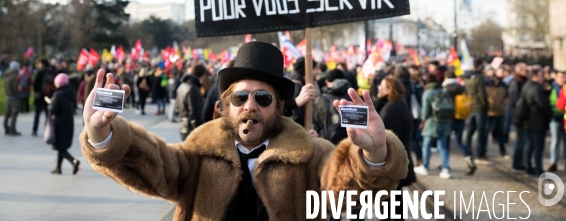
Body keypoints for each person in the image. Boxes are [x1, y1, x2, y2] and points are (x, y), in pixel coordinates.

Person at [80, 41, 408, 220]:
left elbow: (345, 188)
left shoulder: (311, 154)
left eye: (262, 97)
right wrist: (101, 135)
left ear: (279, 106)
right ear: (227, 104)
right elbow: (153, 164)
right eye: (240, 96)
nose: (250, 105)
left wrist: (374, 152)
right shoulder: (199, 151)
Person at [375, 76, 415, 219]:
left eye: (381, 85)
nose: (378, 87)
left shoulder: (391, 108)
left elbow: (385, 137)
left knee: (390, 206)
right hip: (397, 163)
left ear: (388, 90)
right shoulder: (397, 103)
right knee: (395, 202)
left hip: (392, 166)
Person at [414, 73, 452, 179]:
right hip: (445, 122)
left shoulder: (427, 93)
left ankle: (425, 166)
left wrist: (422, 122)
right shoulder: (444, 92)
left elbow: (425, 112)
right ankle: (446, 169)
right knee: (443, 146)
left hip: (431, 123)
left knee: (426, 146)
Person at [442, 70, 476, 175]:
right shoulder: (463, 88)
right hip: (461, 118)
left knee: (445, 142)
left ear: (446, 78)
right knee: (459, 141)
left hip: (449, 119)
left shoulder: (447, 89)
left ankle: (445, 164)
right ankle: (469, 159)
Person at [521, 65, 551, 176]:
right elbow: (543, 105)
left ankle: (528, 166)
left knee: (529, 145)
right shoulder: (536, 88)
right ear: (534, 76)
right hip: (537, 121)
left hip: (528, 120)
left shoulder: (526, 85)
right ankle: (539, 169)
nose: (543, 77)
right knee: (538, 147)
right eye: (541, 75)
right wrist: (549, 115)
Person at [49, 73, 80, 175]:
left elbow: (53, 110)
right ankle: (58, 167)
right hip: (69, 122)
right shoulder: (71, 92)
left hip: (59, 123)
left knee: (60, 146)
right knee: (61, 146)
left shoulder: (58, 94)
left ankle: (73, 161)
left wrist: (50, 104)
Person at [313, 68, 351, 144]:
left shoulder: (320, 99)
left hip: (327, 144)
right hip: (350, 144)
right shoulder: (353, 97)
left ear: (327, 82)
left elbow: (317, 123)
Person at [464, 59, 491, 165]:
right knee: (481, 131)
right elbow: (482, 94)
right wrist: (486, 105)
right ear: (479, 66)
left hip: (469, 106)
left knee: (470, 130)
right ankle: (480, 153)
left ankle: (467, 152)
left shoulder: (466, 76)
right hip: (479, 107)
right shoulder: (479, 77)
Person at [175, 63, 205, 140]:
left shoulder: (181, 86)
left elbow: (177, 108)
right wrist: (199, 131)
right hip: (191, 130)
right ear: (201, 75)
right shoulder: (193, 88)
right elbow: (194, 113)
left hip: (183, 128)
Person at [484, 65, 509, 159]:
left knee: (501, 133)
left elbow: (507, 96)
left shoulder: (502, 83)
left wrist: (504, 104)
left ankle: (503, 151)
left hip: (500, 111)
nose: (492, 72)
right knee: (485, 132)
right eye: (489, 70)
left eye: (492, 70)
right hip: (488, 111)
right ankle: (483, 151)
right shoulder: (484, 83)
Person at [509, 62, 529, 172]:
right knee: (520, 140)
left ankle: (520, 162)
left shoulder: (522, 81)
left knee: (522, 140)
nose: (528, 72)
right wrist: (521, 113)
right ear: (519, 70)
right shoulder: (516, 82)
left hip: (521, 115)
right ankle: (516, 163)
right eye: (526, 70)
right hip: (519, 116)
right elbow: (515, 101)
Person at [548, 70, 566, 171]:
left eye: (564, 77)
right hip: (555, 117)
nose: (563, 79)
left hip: (564, 118)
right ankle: (553, 162)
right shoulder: (551, 88)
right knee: (555, 140)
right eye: (561, 77)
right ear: (556, 78)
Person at [32, 59, 50, 136]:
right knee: (48, 114)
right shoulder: (50, 72)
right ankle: (48, 130)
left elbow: (35, 85)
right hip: (48, 96)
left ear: (43, 64)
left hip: (40, 96)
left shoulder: (40, 72)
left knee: (37, 114)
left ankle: (34, 130)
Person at [3, 61, 22, 136]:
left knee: (7, 114)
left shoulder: (6, 75)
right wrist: (18, 95)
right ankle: (12, 129)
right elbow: (15, 89)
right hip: (14, 98)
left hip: (8, 96)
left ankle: (6, 128)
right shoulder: (14, 76)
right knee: (14, 114)